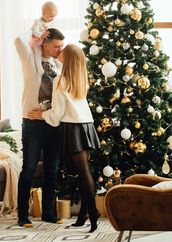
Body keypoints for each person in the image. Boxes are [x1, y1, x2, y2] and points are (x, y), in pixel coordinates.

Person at [28, 44, 101, 233]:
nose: (59, 53)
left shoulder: (61, 79)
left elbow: (58, 113)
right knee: (85, 172)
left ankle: (92, 214)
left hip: (73, 128)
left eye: (62, 51)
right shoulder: (80, 78)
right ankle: (85, 213)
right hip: (86, 125)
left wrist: (41, 115)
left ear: (67, 58)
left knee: (83, 172)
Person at [15, 28, 65, 228]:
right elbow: (18, 39)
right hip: (33, 124)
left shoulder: (58, 65)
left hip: (52, 122)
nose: (59, 49)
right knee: (28, 169)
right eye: (56, 46)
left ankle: (48, 213)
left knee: (52, 169)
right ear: (45, 43)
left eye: (61, 46)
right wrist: (36, 37)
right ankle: (22, 215)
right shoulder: (30, 60)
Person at [29, 1, 58, 75]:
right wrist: (41, 35)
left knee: (55, 48)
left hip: (47, 41)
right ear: (43, 14)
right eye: (51, 16)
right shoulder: (37, 22)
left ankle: (57, 62)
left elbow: (53, 29)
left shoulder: (51, 21)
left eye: (54, 16)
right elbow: (33, 31)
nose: (52, 18)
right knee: (38, 51)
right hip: (38, 40)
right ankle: (39, 67)